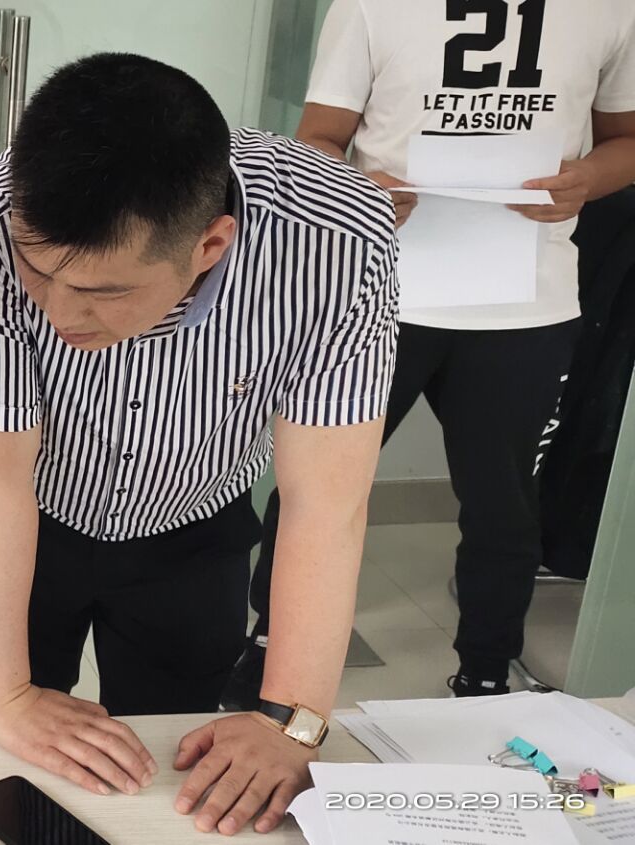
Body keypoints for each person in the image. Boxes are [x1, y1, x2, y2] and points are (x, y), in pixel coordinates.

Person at [0, 53, 398, 837]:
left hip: (194, 520)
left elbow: (326, 504)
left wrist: (290, 720)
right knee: (22, 752)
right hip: (31, 515)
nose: (57, 313)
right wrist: (9, 695)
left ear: (211, 246)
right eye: (38, 274)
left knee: (173, 761)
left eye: (102, 291)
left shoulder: (338, 241)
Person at [230, 0, 635, 704]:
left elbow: (624, 142)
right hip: (373, 297)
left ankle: (484, 673)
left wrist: (588, 180)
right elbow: (318, 139)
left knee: (504, 505)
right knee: (317, 486)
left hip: (524, 303)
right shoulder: (369, 5)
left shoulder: (610, 9)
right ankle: (269, 646)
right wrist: (353, 186)